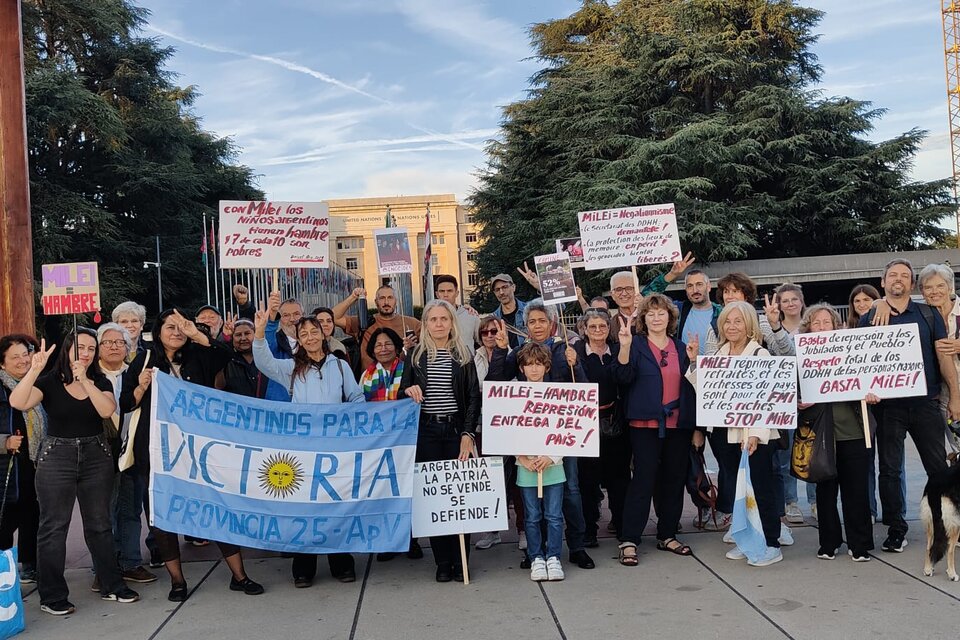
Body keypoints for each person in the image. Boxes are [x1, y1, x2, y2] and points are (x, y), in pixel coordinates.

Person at [121, 309, 263, 602]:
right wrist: (143, 385)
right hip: (158, 454)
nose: (176, 332)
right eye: (169, 327)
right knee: (162, 517)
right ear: (157, 331)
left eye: (181, 327)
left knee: (216, 508)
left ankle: (239, 576)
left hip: (199, 451)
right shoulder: (145, 360)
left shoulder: (198, 356)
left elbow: (225, 354)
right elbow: (125, 403)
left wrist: (196, 332)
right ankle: (177, 581)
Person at [10, 329, 140, 614]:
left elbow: (107, 410)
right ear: (68, 349)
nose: (86, 353)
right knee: (54, 527)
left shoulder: (100, 380)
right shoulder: (49, 382)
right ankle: (52, 595)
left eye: (92, 348)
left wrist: (86, 381)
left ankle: (112, 584)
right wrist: (34, 369)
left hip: (96, 455)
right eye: (80, 347)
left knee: (100, 524)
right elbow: (18, 402)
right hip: (57, 456)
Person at [253, 308, 364, 588]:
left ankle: (341, 562)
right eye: (304, 334)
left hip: (335, 450)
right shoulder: (290, 368)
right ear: (298, 340)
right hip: (302, 450)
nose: (310, 337)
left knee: (334, 506)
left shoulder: (340, 366)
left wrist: (357, 422)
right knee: (304, 509)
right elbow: (263, 361)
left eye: (314, 331)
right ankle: (304, 567)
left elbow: (355, 396)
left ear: (324, 333)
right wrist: (259, 330)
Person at [859, 259, 960, 553]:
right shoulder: (870, 317)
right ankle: (896, 528)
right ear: (883, 281)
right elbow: (861, 362)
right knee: (889, 470)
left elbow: (943, 358)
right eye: (893, 275)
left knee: (938, 468)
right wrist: (867, 391)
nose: (898, 280)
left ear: (912, 284)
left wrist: (955, 396)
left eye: (905, 275)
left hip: (926, 403)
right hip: (888, 408)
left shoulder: (927, 315)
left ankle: (945, 524)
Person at [487, 300, 595, 570]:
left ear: (552, 323)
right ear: (527, 325)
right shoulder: (519, 353)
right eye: (532, 321)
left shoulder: (565, 349)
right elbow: (495, 384)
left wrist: (577, 364)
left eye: (542, 321)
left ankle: (577, 546)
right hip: (528, 436)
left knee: (569, 490)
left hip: (560, 437)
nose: (537, 326)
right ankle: (537, 551)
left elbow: (582, 393)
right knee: (535, 497)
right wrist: (500, 351)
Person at [686, 302, 784, 567]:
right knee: (739, 491)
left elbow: (767, 399)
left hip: (754, 437)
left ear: (749, 325)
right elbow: (704, 390)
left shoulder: (759, 355)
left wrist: (754, 434)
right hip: (724, 434)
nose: (732, 326)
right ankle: (747, 538)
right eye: (727, 321)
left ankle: (771, 542)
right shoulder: (718, 354)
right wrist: (695, 361)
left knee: (761, 489)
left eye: (738, 321)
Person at [613, 294, 697, 565]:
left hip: (678, 425)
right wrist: (624, 347)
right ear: (643, 319)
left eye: (662, 313)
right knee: (643, 480)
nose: (657, 318)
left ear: (670, 318)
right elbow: (622, 378)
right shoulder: (635, 345)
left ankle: (667, 533)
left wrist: (694, 363)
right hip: (644, 425)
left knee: (673, 480)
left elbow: (694, 389)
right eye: (651, 314)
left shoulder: (682, 348)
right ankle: (629, 539)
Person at [400, 300, 481, 582]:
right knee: (434, 499)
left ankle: (462, 560)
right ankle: (443, 561)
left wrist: (468, 434)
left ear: (451, 322)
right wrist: (408, 389)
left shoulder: (463, 354)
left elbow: (473, 398)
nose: (438, 324)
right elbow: (401, 393)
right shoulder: (414, 355)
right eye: (433, 319)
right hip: (427, 432)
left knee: (459, 496)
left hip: (456, 431)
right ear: (425, 324)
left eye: (443, 319)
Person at [798, 305, 877, 561]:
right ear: (808, 327)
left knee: (857, 491)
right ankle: (829, 543)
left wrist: (872, 393)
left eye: (826, 322)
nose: (821, 327)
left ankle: (860, 544)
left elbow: (872, 379)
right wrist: (799, 400)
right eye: (816, 323)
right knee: (825, 491)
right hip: (821, 435)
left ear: (836, 325)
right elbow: (790, 392)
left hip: (854, 431)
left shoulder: (852, 351)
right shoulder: (801, 357)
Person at [96, 323, 157, 586]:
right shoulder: (87, 375)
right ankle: (105, 568)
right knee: (103, 513)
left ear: (128, 347)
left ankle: (131, 562)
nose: (114, 347)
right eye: (107, 342)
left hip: (132, 448)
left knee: (130, 508)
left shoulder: (136, 372)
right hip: (99, 451)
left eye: (119, 343)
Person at [574, 308, 630, 544]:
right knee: (587, 480)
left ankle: (620, 521)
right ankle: (589, 529)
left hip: (614, 420)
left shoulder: (618, 350)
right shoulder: (573, 352)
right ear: (584, 330)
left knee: (619, 478)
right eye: (593, 327)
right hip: (584, 424)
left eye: (603, 326)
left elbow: (626, 378)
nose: (598, 331)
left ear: (609, 329)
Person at [514, 342, 566, 582]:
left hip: (553, 466)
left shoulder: (559, 393)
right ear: (522, 369)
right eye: (528, 365)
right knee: (531, 516)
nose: (533, 369)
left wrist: (551, 456)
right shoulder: (513, 393)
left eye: (538, 364)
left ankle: (553, 556)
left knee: (554, 516)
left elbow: (569, 430)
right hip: (526, 467)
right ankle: (536, 557)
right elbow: (505, 430)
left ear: (546, 367)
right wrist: (522, 458)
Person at [0, 334, 44, 584]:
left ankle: (29, 564)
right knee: (5, 520)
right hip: (6, 466)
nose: (22, 360)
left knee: (33, 514)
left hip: (34, 462)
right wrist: (3, 442)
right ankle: (3, 569)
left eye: (25, 354)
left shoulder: (39, 384)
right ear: (2, 363)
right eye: (14, 357)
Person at [773, 283, 816, 524]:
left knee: (812, 452)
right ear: (778, 305)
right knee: (786, 454)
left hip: (812, 398)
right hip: (784, 400)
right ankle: (791, 502)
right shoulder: (771, 329)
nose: (790, 304)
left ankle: (814, 501)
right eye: (784, 300)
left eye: (794, 299)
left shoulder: (811, 328)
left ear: (801, 302)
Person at [916, 263, 960, 454]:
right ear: (922, 291)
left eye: (940, 285)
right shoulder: (921, 314)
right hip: (943, 393)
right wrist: (879, 303)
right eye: (928, 287)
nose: (935, 292)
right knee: (956, 446)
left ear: (950, 287)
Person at [333, 285, 421, 369]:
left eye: (390, 298)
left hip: (402, 380)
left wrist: (414, 347)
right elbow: (333, 317)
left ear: (396, 301)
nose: (386, 302)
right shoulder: (364, 322)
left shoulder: (412, 323)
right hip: (369, 381)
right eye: (382, 298)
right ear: (376, 302)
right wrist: (353, 297)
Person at [218, 319, 268, 398]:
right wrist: (225, 338)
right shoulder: (227, 360)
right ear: (232, 338)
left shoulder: (266, 358)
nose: (243, 338)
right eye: (238, 335)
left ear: (255, 334)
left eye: (247, 333)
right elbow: (218, 387)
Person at [435, 274, 480, 350]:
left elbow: (483, 341)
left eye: (450, 291)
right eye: (442, 291)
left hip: (467, 361)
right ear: (437, 294)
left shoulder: (471, 316)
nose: (446, 295)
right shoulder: (430, 319)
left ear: (457, 293)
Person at [490, 273, 528, 349]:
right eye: (497, 290)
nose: (501, 292)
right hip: (507, 359)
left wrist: (537, 286)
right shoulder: (493, 319)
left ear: (513, 287)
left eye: (504, 287)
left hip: (530, 358)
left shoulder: (529, 310)